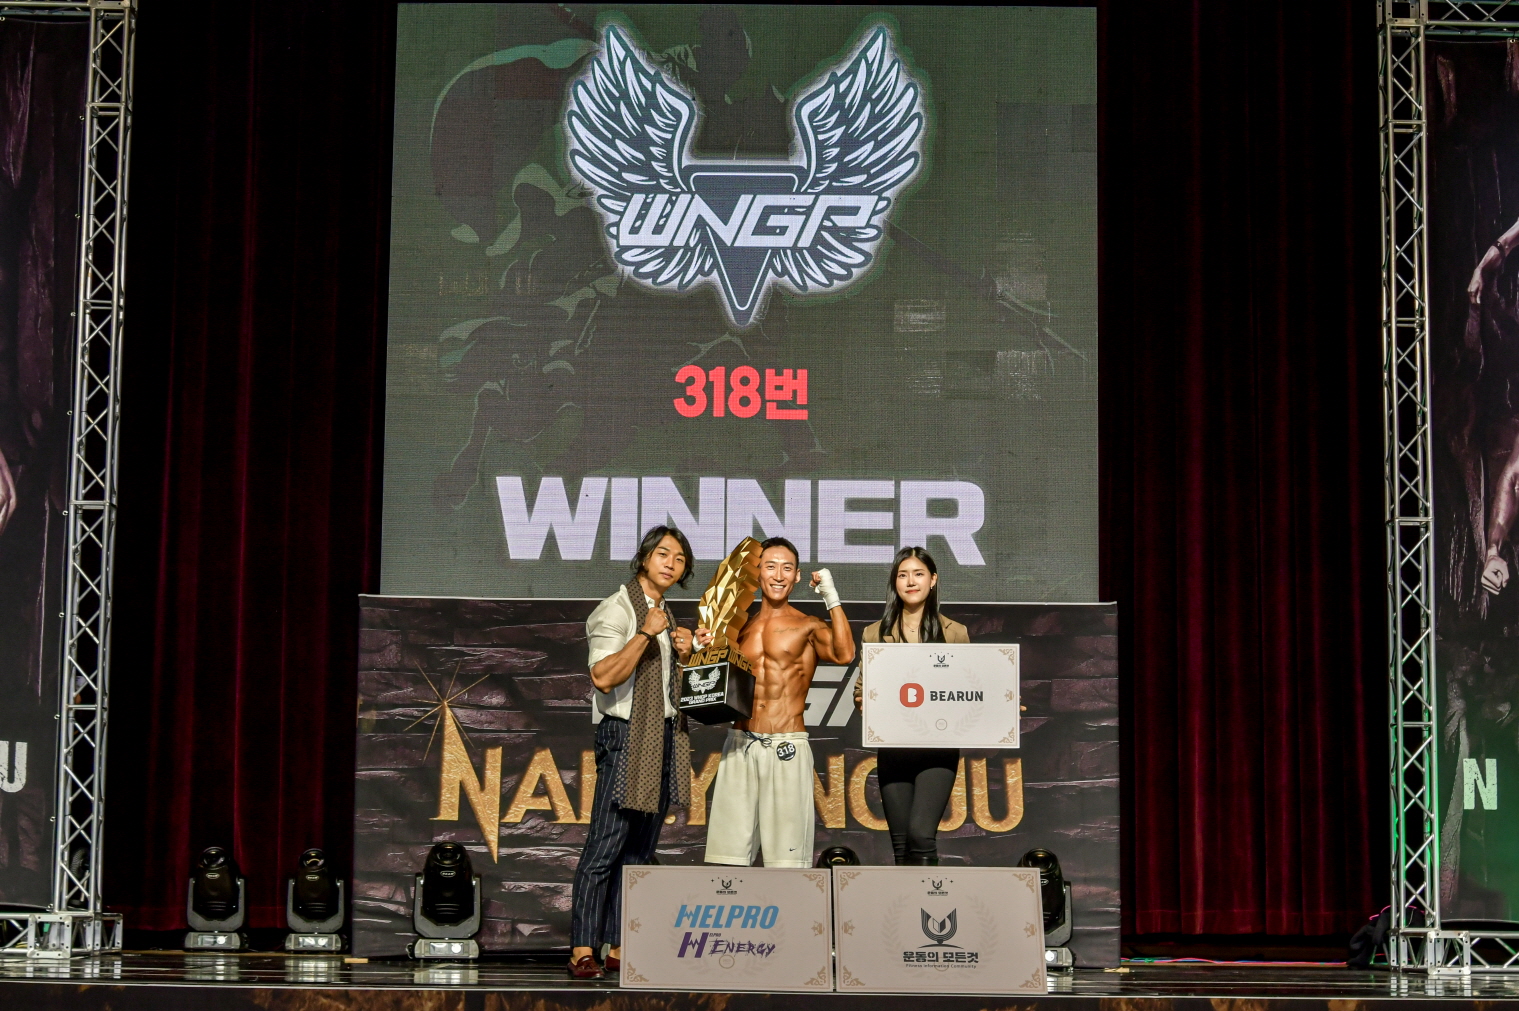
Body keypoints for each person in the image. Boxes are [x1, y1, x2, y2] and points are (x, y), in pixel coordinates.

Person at [568, 526, 698, 979]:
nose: (671, 563)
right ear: (644, 558)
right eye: (663, 554)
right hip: (625, 737)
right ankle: (583, 948)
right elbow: (603, 677)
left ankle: (620, 946)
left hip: (661, 737)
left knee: (639, 853)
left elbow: (669, 691)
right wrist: (645, 633)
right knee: (605, 846)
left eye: (679, 559)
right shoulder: (617, 609)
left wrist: (687, 654)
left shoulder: (668, 617)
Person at [702, 537, 855, 868]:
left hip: (787, 744)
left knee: (786, 862)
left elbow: (845, 654)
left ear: (797, 576)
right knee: (727, 860)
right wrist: (700, 649)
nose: (778, 575)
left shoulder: (808, 625)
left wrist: (830, 596)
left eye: (787, 568)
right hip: (740, 742)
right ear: (758, 572)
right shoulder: (738, 628)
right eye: (770, 567)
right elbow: (708, 683)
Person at [854, 547, 969, 865]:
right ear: (895, 582)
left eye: (918, 574)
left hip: (938, 750)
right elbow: (862, 689)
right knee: (902, 844)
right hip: (894, 750)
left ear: (933, 580)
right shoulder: (875, 633)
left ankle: (928, 896)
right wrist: (863, 701)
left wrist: (999, 705)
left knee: (921, 835)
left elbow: (971, 687)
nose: (911, 581)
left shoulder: (955, 633)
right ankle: (907, 898)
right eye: (903, 575)